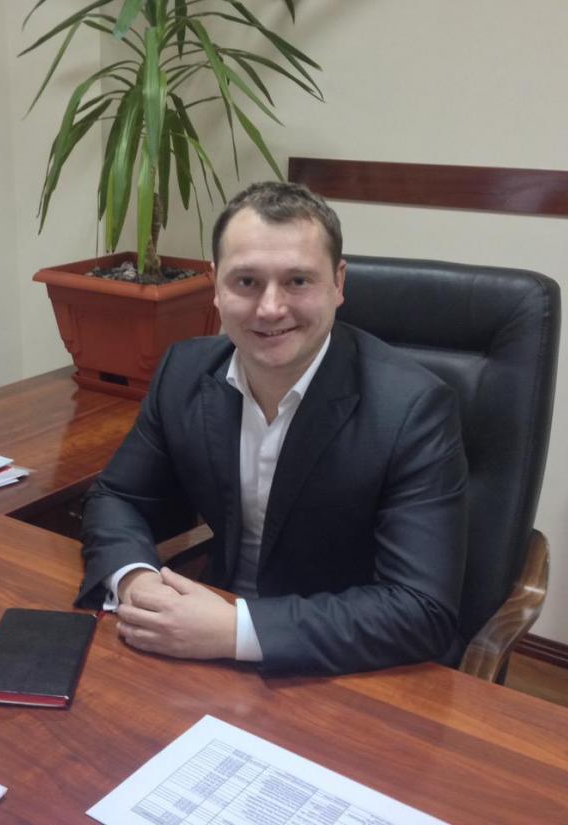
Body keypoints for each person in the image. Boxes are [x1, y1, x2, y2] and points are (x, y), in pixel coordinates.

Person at [75, 181, 468, 675]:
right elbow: (118, 498)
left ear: (338, 283)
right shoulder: (185, 371)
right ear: (215, 285)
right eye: (246, 282)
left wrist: (235, 630)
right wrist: (136, 582)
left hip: (345, 666)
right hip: (202, 635)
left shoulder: (413, 409)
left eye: (298, 281)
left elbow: (420, 610)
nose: (269, 308)